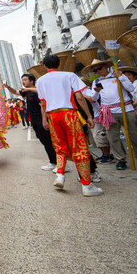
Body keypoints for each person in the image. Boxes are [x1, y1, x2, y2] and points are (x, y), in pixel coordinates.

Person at [37, 54, 103, 197]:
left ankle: (60, 175)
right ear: (59, 64)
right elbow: (79, 97)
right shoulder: (69, 75)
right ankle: (87, 185)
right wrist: (89, 116)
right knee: (79, 147)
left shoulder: (40, 81)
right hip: (68, 114)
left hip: (53, 116)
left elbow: (43, 103)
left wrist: (45, 120)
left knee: (60, 147)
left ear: (44, 66)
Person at [88, 59, 137, 170]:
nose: (98, 71)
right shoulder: (96, 81)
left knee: (135, 135)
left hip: (126, 109)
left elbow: (131, 89)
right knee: (113, 138)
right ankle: (120, 160)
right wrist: (96, 91)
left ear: (106, 66)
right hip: (109, 112)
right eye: (96, 70)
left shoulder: (118, 76)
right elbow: (93, 99)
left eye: (100, 68)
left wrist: (120, 77)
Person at [5, 75, 57, 170]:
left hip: (41, 120)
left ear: (32, 81)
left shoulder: (37, 92)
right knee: (45, 141)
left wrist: (44, 121)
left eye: (25, 80)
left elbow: (43, 106)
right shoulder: (27, 92)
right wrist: (8, 87)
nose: (23, 82)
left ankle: (56, 163)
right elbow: (16, 92)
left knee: (48, 142)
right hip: (35, 121)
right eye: (22, 80)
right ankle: (55, 162)